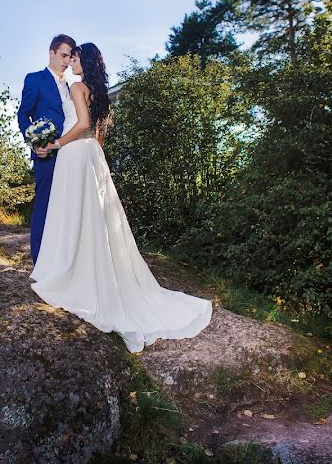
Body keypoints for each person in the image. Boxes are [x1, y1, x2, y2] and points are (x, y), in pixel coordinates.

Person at [29, 42, 213, 353]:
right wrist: (94, 157)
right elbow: (98, 133)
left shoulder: (76, 86)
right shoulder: (98, 92)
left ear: (83, 61)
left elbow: (83, 124)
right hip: (92, 155)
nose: (71, 61)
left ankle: (72, 272)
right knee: (93, 217)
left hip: (75, 154)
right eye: (68, 56)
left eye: (74, 57)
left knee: (76, 215)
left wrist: (57, 143)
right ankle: (90, 270)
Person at [17, 34, 77, 264]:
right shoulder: (35, 79)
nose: (66, 61)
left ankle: (61, 260)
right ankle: (39, 262)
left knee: (65, 207)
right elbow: (24, 114)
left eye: (69, 57)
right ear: (51, 53)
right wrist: (35, 142)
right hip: (46, 154)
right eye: (63, 55)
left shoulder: (71, 87)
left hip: (70, 153)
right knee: (44, 204)